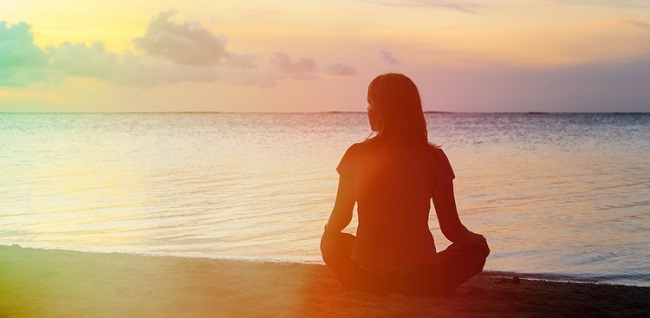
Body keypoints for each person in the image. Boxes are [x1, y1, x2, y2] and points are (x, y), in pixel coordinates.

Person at [321, 73, 490, 296]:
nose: (368, 110)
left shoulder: (356, 155)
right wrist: (478, 241)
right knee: (473, 250)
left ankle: (364, 280)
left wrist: (337, 240)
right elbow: (452, 230)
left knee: (332, 240)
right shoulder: (434, 158)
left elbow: (339, 221)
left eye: (371, 104)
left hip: (364, 277)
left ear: (384, 109)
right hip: (422, 280)